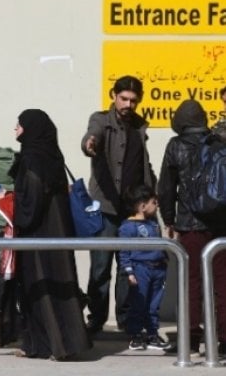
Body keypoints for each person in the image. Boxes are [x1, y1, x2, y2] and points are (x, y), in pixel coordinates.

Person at [9, 109, 91, 360]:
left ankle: (54, 345)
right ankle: (49, 344)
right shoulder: (52, 155)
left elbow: (31, 199)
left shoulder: (32, 158)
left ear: (31, 128)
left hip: (39, 234)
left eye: (19, 124)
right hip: (57, 231)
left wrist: (13, 208)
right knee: (60, 286)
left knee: (41, 286)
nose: (15, 129)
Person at [81, 75, 155, 334]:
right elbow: (93, 136)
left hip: (133, 211)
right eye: (123, 99)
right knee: (100, 267)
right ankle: (96, 318)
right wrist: (89, 144)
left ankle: (125, 320)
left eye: (133, 100)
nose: (128, 104)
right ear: (114, 96)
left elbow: (144, 166)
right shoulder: (101, 120)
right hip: (105, 208)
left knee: (128, 269)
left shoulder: (139, 126)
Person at [158, 99, 226, 355]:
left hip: (190, 225)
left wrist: (169, 220)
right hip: (220, 225)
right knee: (223, 281)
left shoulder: (176, 146)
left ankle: (190, 340)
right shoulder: (218, 142)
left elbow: (166, 187)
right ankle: (224, 339)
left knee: (191, 283)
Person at [119, 184, 171, 351]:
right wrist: (129, 272)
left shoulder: (154, 223)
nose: (157, 206)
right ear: (142, 206)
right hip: (140, 269)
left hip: (158, 269)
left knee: (154, 305)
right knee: (138, 303)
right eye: (154, 202)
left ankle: (152, 334)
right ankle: (135, 335)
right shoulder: (127, 227)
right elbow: (124, 252)